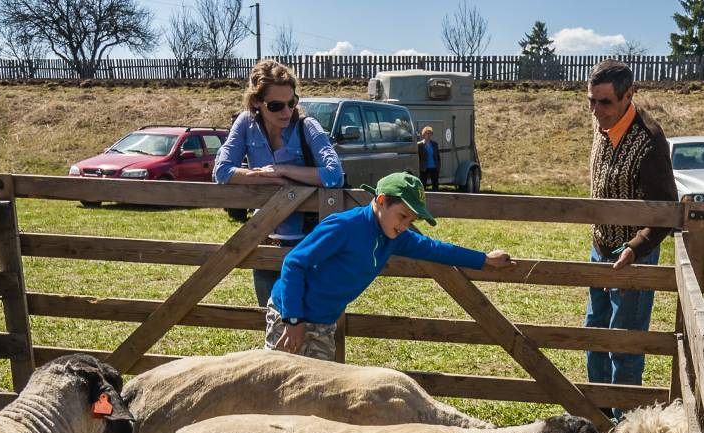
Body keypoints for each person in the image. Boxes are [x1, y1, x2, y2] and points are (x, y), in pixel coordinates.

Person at [266, 172, 513, 360]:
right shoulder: (344, 227)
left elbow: (435, 249)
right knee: (276, 384)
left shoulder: (394, 237)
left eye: (411, 220)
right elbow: (294, 263)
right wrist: (293, 320)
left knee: (316, 392)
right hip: (290, 314)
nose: (405, 226)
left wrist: (484, 259)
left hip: (323, 322)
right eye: (403, 216)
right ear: (381, 200)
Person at [584, 59, 677, 421]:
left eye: (605, 102)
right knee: (594, 336)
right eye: (591, 101)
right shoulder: (600, 124)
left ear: (629, 95)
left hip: (633, 257)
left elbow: (665, 210)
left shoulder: (649, 140)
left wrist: (635, 249)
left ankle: (624, 426)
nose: (596, 110)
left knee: (624, 345)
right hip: (600, 248)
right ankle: (597, 416)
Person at [214, 59, 344, 308]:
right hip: (265, 239)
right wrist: (265, 177)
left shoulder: (308, 126)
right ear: (256, 102)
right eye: (276, 106)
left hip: (308, 243)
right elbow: (221, 171)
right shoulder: (245, 124)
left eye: (292, 102)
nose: (286, 111)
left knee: (306, 320)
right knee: (270, 317)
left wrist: (284, 170)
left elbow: (334, 174)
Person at [418, 126, 441, 191]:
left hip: (434, 167)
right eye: (427, 133)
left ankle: (435, 196)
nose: (428, 135)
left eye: (430, 133)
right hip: (424, 168)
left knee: (435, 185)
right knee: (422, 185)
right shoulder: (420, 145)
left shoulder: (435, 144)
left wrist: (438, 167)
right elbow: (418, 157)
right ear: (423, 134)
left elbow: (438, 156)